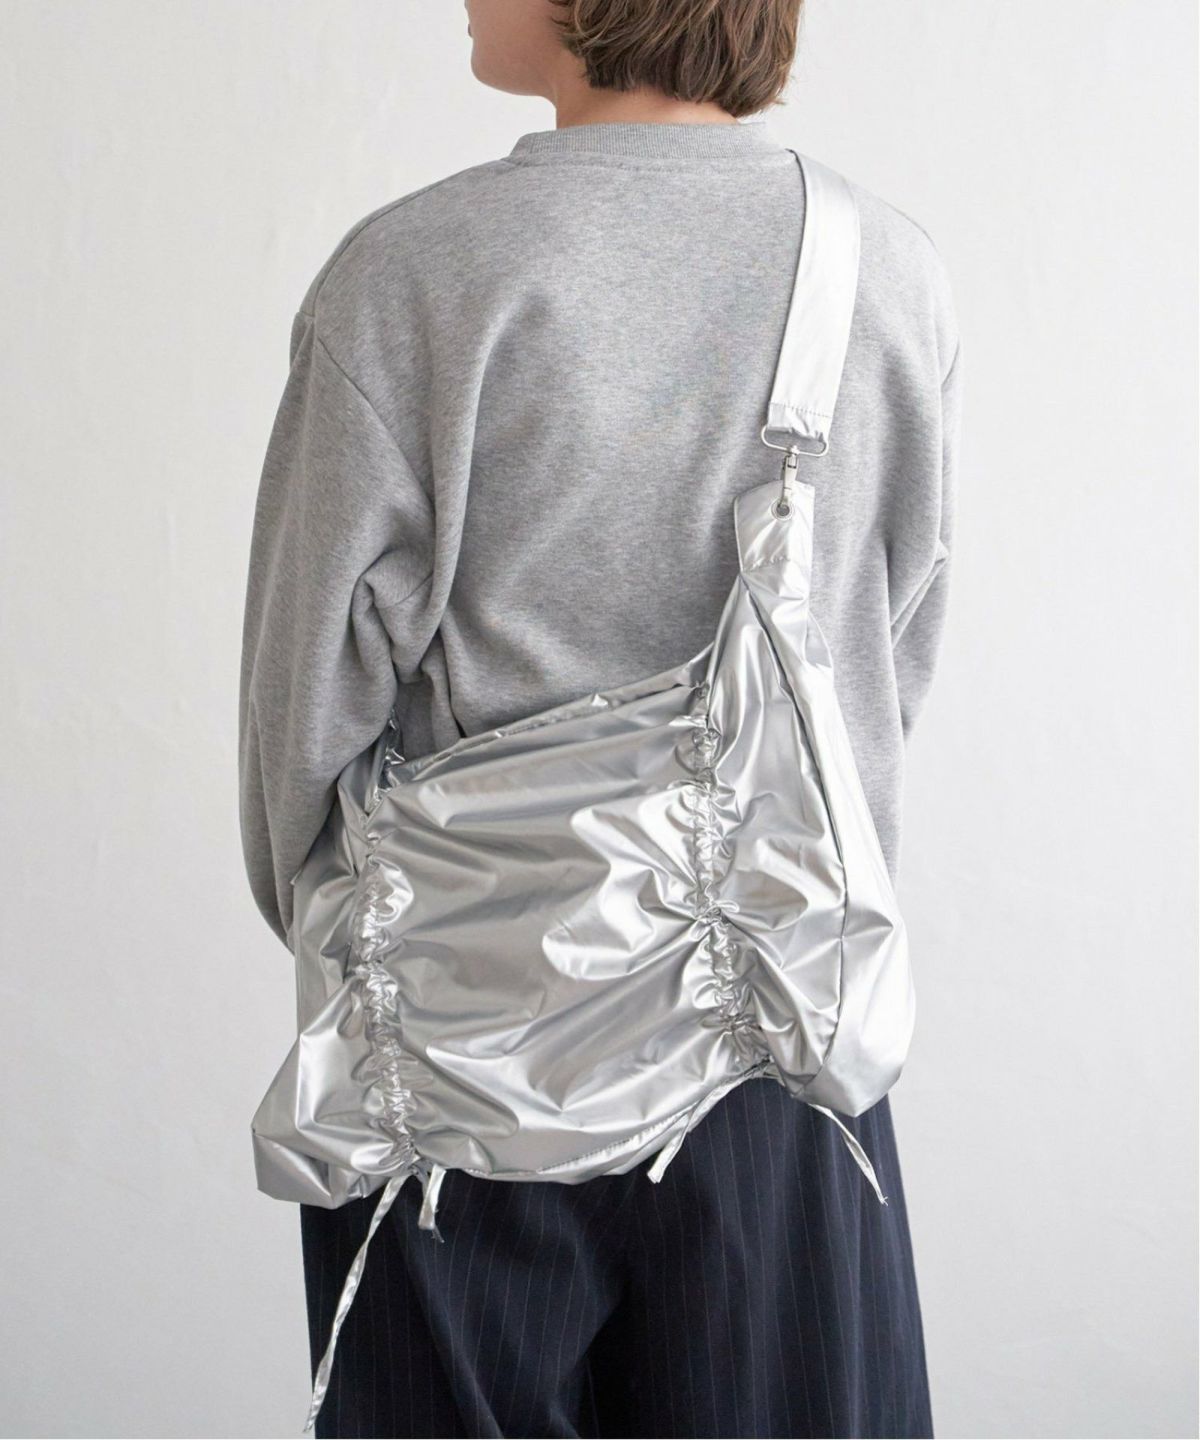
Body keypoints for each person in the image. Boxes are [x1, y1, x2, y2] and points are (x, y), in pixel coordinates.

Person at [238, 1, 962, 1434]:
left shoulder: (414, 274)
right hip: (786, 1050)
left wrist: (354, 943)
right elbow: (885, 668)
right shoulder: (884, 268)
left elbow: (302, 712)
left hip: (461, 1071)